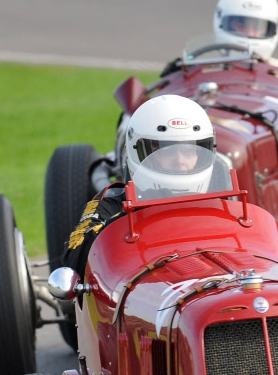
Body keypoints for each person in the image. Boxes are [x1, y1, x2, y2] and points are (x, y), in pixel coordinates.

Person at [62, 94, 216, 275]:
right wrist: (121, 226)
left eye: (190, 151)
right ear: (141, 153)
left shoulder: (223, 203)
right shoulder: (112, 204)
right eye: (167, 152)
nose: (180, 161)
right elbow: (73, 259)